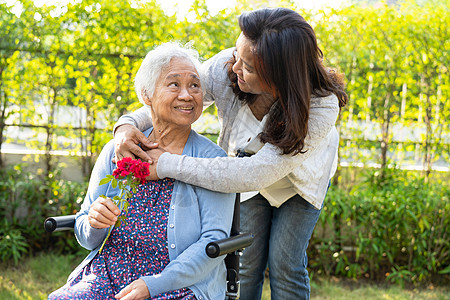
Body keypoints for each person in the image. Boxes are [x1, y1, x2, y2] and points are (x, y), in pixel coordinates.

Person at [114, 8, 348, 300]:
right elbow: (175, 92)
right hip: (240, 175)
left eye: (247, 67)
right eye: (237, 54)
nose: (235, 66)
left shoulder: (321, 105)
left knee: (285, 264)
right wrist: (127, 124)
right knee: (244, 261)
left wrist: (167, 165)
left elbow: (255, 174)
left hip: (298, 182)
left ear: (278, 78)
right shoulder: (228, 65)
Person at [48, 42, 235, 300]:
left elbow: (212, 241)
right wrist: (94, 223)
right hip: (108, 273)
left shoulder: (211, 160)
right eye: (174, 84)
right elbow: (85, 231)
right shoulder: (120, 149)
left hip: (177, 282)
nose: (187, 95)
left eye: (195, 85)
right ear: (146, 95)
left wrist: (154, 284)